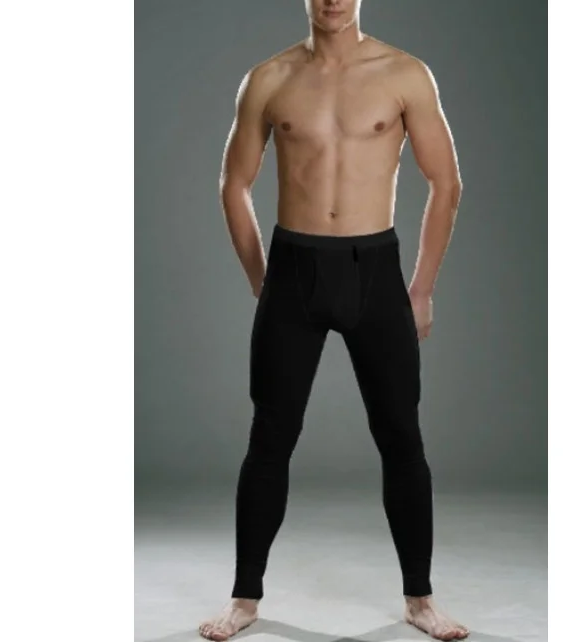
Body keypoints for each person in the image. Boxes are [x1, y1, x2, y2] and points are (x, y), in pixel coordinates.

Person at [199, 0, 466, 640]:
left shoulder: (404, 74)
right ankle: (243, 599)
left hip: (375, 272)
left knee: (401, 436)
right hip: (294, 268)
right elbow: (234, 183)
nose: (332, 0)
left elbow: (447, 182)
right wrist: (263, 280)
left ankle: (421, 600)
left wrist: (423, 288)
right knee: (270, 437)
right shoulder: (268, 79)